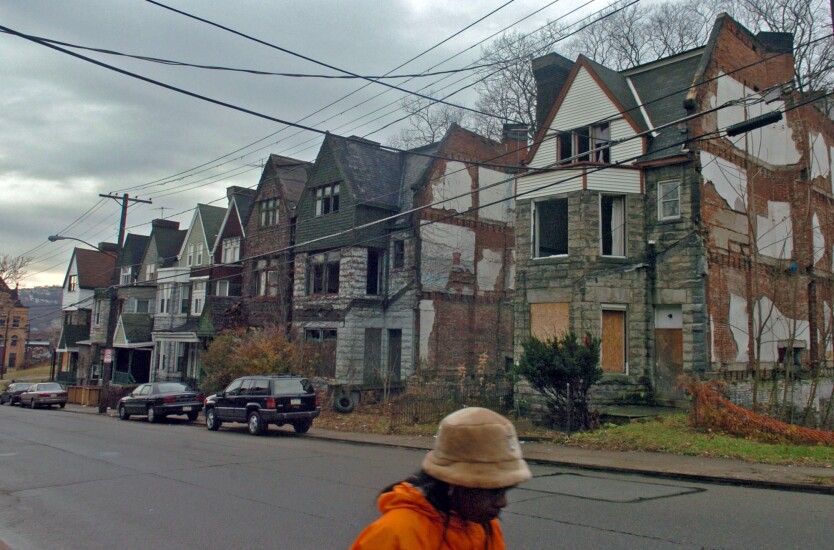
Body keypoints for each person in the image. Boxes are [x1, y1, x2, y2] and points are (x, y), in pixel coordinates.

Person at [350, 407, 531, 550]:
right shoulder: (396, 535)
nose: (503, 503)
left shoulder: (485, 529)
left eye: (506, 490)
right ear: (454, 482)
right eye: (494, 491)